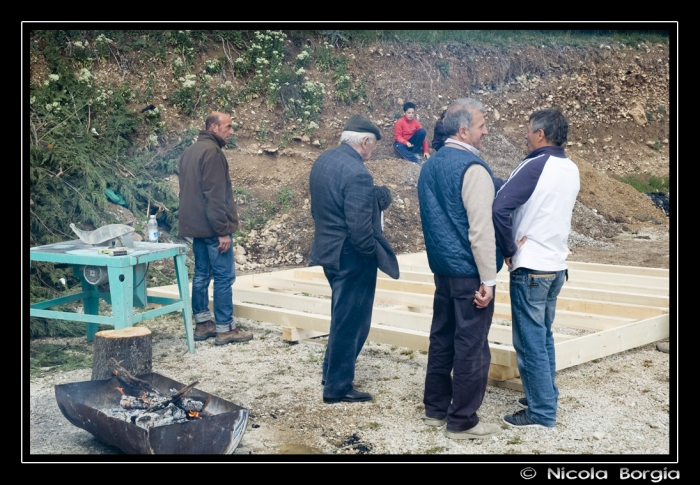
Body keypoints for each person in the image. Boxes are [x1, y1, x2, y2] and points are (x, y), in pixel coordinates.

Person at [417, 98, 505, 439]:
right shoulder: (474, 169)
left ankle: (435, 409)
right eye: (482, 126)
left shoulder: (430, 165)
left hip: (443, 270)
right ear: (464, 130)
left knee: (442, 338)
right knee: (471, 345)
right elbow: (480, 230)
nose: (486, 131)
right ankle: (463, 420)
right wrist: (489, 279)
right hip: (469, 273)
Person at [492, 107, 580, 429]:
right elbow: (538, 201)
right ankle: (543, 396)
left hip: (531, 268)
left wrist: (509, 249)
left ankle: (541, 412)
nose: (525, 135)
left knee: (529, 342)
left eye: (529, 130)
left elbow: (500, 206)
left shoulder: (534, 164)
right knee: (542, 337)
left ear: (540, 134)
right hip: (556, 266)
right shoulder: (570, 168)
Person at [308, 115, 399, 404]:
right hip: (351, 256)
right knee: (353, 322)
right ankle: (337, 386)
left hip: (328, 250)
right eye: (372, 147)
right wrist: (372, 256)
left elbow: (328, 204)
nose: (372, 154)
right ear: (364, 142)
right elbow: (360, 229)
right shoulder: (359, 173)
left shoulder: (325, 160)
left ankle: (330, 371)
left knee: (341, 315)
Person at [178, 112, 253, 346]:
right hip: (212, 228)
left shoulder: (190, 152)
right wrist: (222, 230)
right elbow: (214, 196)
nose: (231, 132)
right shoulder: (213, 154)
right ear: (213, 127)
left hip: (196, 227)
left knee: (201, 274)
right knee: (223, 276)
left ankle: (203, 324)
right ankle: (225, 328)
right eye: (228, 127)